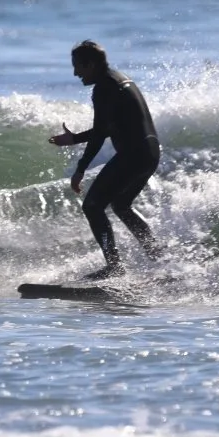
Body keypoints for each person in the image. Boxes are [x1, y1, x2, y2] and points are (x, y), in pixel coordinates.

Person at [49, 40, 163, 280]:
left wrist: (80, 169)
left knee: (92, 206)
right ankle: (159, 257)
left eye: (78, 66)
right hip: (150, 152)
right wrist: (75, 138)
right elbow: (107, 128)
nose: (75, 73)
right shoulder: (119, 79)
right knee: (121, 205)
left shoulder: (104, 88)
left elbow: (100, 135)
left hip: (133, 155)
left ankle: (114, 267)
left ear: (90, 65)